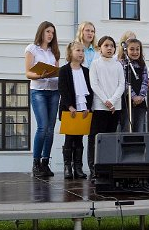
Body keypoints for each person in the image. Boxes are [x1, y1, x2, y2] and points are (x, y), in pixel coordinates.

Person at [25, 21, 60, 178]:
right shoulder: (32, 49)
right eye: (48, 31)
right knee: (42, 127)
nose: (50, 34)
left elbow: (57, 71)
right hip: (38, 90)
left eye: (52, 32)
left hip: (53, 91)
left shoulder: (54, 52)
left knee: (51, 129)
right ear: (41, 32)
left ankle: (45, 162)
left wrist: (56, 74)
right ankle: (36, 163)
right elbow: (28, 73)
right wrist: (41, 75)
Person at [88, 36, 125, 178]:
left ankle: (107, 167)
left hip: (115, 108)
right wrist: (106, 100)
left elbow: (121, 84)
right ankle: (94, 168)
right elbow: (94, 84)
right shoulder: (96, 64)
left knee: (110, 138)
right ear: (99, 48)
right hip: (100, 107)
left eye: (112, 46)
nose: (109, 48)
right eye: (106, 45)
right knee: (96, 138)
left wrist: (113, 100)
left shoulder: (118, 65)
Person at [58, 41, 93, 179]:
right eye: (78, 50)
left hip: (83, 109)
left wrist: (88, 107)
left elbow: (89, 91)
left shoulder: (86, 71)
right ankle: (67, 167)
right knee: (69, 138)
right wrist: (69, 106)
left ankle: (78, 167)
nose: (80, 53)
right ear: (70, 53)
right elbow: (63, 89)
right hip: (69, 109)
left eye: (82, 51)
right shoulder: (64, 70)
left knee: (79, 139)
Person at [119, 38, 148, 133]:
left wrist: (141, 96)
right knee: (127, 129)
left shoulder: (142, 65)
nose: (135, 52)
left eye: (137, 49)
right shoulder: (122, 64)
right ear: (126, 50)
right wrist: (133, 96)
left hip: (140, 103)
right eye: (132, 49)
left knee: (139, 130)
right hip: (127, 102)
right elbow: (124, 81)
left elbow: (145, 81)